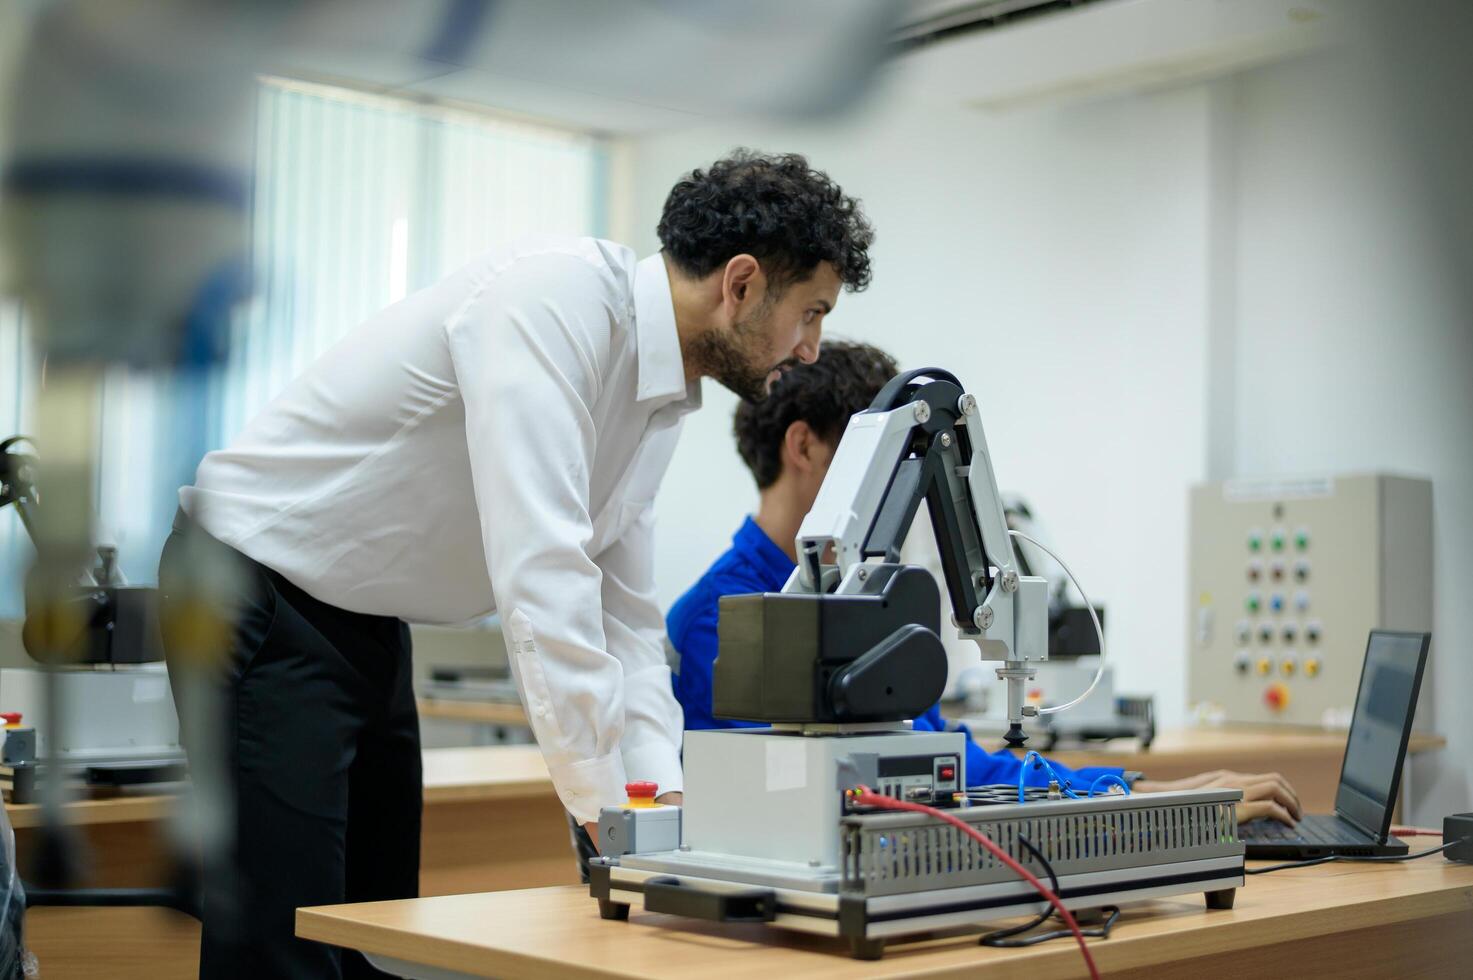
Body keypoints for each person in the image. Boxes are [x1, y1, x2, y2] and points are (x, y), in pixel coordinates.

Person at [157, 150, 875, 979]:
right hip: (251, 586)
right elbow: (542, 579)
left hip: (358, 614)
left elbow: (627, 619)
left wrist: (660, 800)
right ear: (741, 284)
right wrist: (611, 817)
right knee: (284, 950)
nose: (813, 346)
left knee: (374, 930)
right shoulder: (554, 301)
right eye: (810, 312)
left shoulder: (661, 395)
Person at [667, 340, 1304, 822]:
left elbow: (955, 759)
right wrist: (1134, 799)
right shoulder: (721, 621)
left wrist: (1133, 789)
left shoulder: (855, 605)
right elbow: (805, 797)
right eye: (880, 458)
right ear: (803, 448)